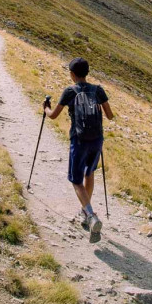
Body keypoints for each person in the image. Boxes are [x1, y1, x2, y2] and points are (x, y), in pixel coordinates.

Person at [44, 57, 113, 242]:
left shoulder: (70, 91)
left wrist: (46, 109)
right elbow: (110, 115)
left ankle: (91, 216)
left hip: (79, 140)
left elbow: (53, 116)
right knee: (89, 174)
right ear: (87, 73)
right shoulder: (98, 90)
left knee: (76, 180)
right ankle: (85, 211)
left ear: (72, 74)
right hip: (97, 139)